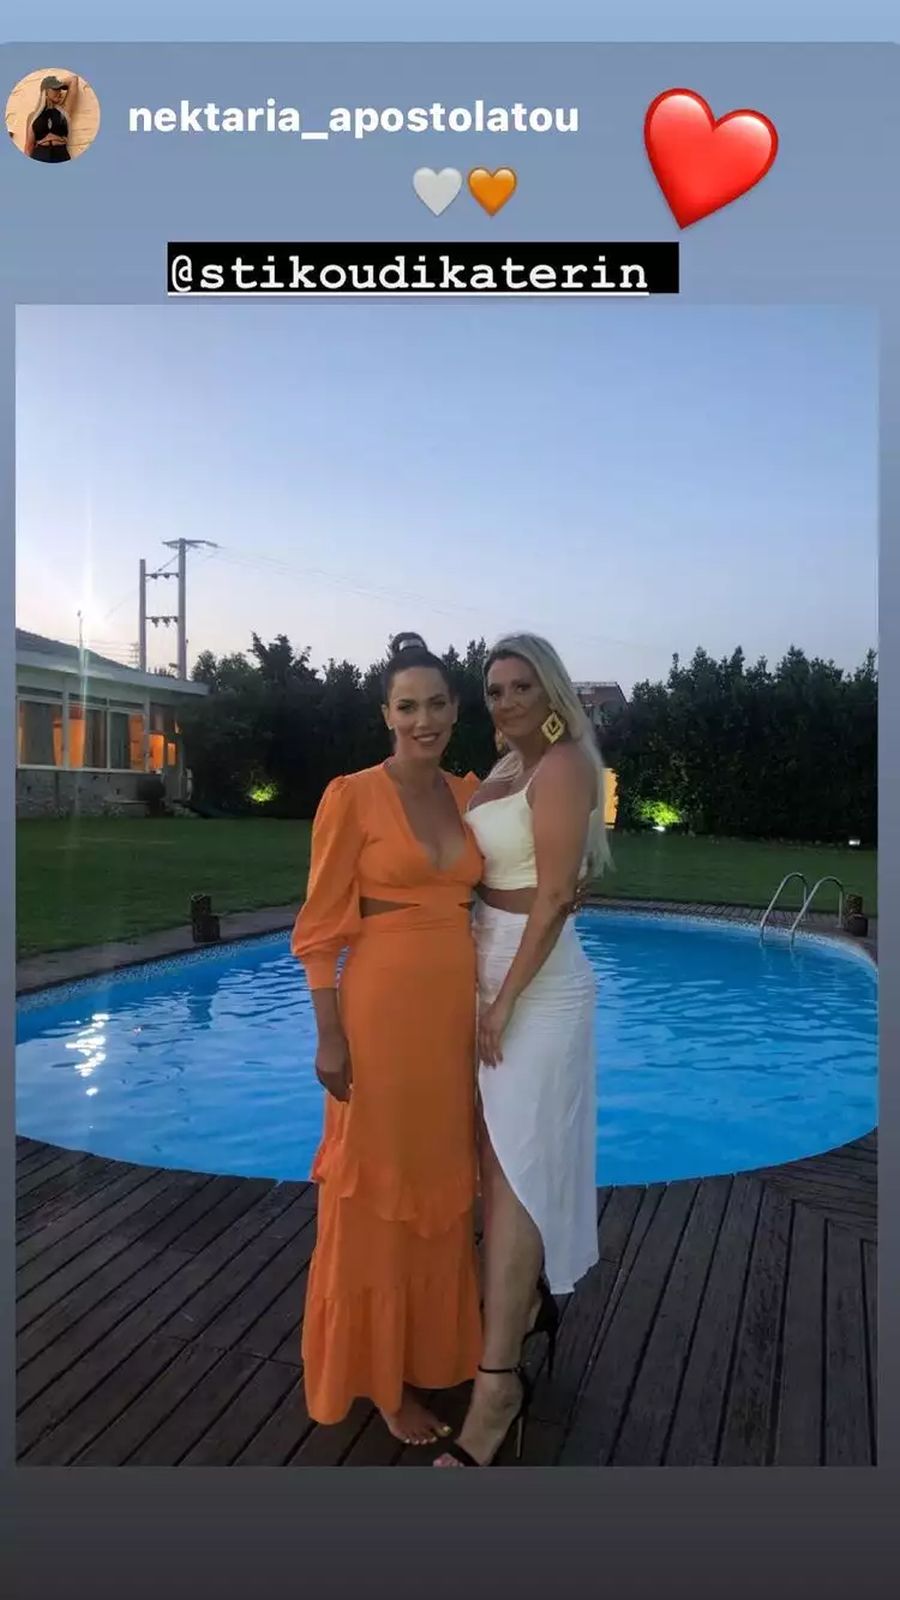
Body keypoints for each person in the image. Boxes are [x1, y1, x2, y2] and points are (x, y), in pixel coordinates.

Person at [291, 633, 484, 1445]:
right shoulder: (353, 796)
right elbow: (318, 930)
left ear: (455, 710)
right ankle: (379, 1379)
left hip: (453, 1021)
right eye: (407, 706)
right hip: (380, 1014)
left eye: (436, 703)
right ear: (386, 715)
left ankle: (434, 1351)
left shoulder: (472, 796)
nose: (423, 719)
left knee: (441, 1181)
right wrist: (329, 1035)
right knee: (373, 1192)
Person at [435, 633, 611, 1467]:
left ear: (551, 691)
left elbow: (553, 895)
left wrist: (503, 1002)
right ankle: (526, 1306)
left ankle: (498, 1385)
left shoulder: (564, 764)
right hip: (485, 966)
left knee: (516, 1175)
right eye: (494, 689)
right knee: (494, 1163)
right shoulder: (506, 768)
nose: (505, 701)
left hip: (534, 986)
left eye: (520, 686)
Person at [25, 74, 78, 163]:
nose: (59, 92)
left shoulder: (64, 110)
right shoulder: (33, 116)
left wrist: (57, 83)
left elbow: (74, 80)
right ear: (46, 91)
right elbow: (28, 147)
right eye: (55, 89)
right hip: (39, 155)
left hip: (61, 154)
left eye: (60, 89)